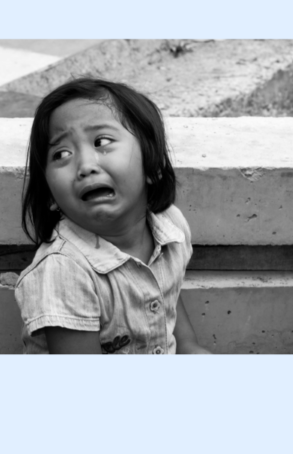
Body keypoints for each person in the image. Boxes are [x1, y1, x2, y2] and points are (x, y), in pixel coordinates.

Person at [15, 78, 211, 354]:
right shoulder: (65, 270)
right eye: (61, 154)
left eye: (102, 141)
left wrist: (191, 349)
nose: (85, 166)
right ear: (49, 194)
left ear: (152, 165)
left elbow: (164, 293)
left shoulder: (171, 227)